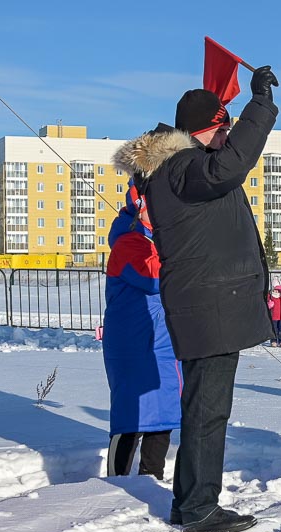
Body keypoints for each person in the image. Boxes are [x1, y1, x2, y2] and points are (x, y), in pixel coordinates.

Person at [114, 65, 280, 532]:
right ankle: (198, 508)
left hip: (211, 305)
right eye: (221, 128)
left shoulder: (180, 170)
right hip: (209, 307)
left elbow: (223, 170)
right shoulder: (182, 167)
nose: (227, 137)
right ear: (203, 129)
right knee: (207, 410)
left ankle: (192, 503)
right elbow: (229, 165)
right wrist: (260, 107)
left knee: (205, 408)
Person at [102, 180, 180, 481]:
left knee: (162, 416)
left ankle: (151, 478)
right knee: (131, 418)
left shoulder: (155, 238)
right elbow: (155, 279)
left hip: (162, 344)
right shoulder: (128, 242)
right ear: (141, 205)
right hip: (134, 346)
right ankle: (116, 482)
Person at [266, 276, 281, 347]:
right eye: (275, 289)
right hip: (273, 316)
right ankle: (273, 340)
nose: (276, 291)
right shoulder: (271, 295)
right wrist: (269, 302)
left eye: (278, 289)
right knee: (274, 329)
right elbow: (267, 298)